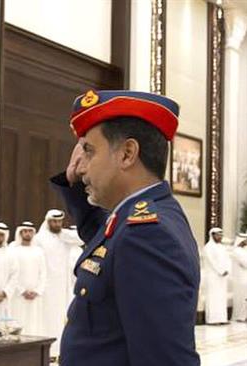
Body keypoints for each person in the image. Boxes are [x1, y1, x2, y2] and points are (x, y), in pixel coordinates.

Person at [51, 90, 200, 365]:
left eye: (89, 150)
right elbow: (104, 245)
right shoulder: (138, 217)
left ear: (127, 154)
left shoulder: (147, 233)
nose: (81, 167)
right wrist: (74, 185)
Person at [33, 209, 78, 357]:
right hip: (45, 286)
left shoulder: (64, 236)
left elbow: (81, 238)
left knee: (62, 317)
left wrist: (63, 233)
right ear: (48, 221)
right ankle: (48, 352)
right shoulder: (40, 238)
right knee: (46, 318)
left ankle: (60, 351)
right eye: (54, 221)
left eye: (59, 221)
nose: (57, 224)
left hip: (63, 286)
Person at [9, 221, 46, 335]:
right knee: (18, 320)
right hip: (18, 295)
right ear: (20, 233)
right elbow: (12, 273)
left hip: (35, 296)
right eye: (25, 231)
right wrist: (22, 291)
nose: (28, 234)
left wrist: (37, 291)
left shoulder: (39, 251)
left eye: (30, 231)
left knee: (34, 323)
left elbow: (43, 273)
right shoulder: (13, 250)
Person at [203, 228, 231, 325]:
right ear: (213, 235)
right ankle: (212, 320)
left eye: (221, 235)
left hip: (223, 277)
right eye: (218, 235)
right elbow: (212, 262)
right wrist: (221, 271)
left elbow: (227, 260)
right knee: (213, 297)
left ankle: (222, 319)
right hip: (213, 276)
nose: (220, 237)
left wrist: (227, 270)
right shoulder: (208, 247)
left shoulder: (222, 247)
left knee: (221, 298)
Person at [232, 233, 247, 322]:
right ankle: (239, 317)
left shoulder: (244, 251)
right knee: (241, 297)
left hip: (245, 278)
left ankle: (244, 316)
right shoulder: (236, 251)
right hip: (240, 279)